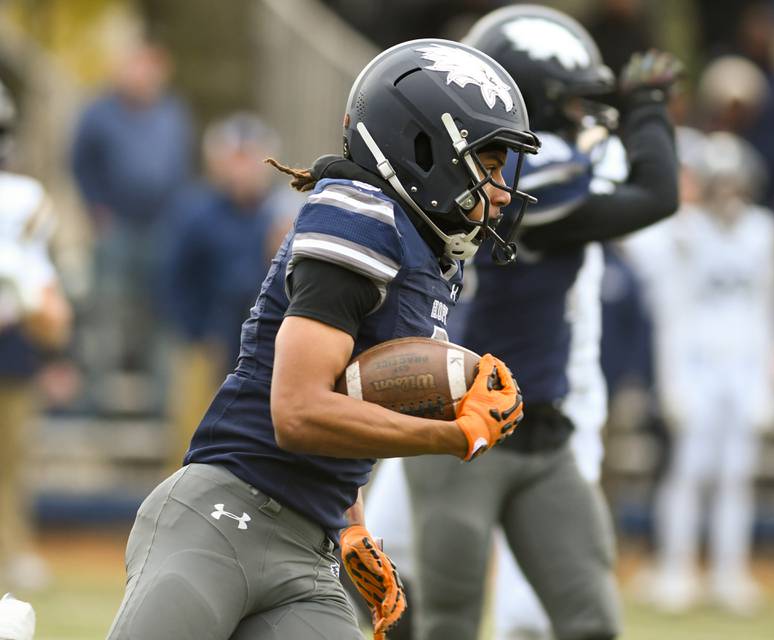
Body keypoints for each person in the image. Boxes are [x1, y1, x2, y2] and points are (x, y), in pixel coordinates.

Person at [105, 38, 535, 640]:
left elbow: (356, 390)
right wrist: (453, 436)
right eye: (487, 166)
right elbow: (299, 411)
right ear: (424, 147)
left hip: (308, 547)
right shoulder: (359, 217)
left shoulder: (430, 256)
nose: (499, 191)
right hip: (221, 515)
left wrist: (351, 523)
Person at [398, 7, 681, 639]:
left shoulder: (501, 172)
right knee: (445, 618)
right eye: (572, 102)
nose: (585, 116)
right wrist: (646, 111)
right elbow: (655, 192)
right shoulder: (521, 176)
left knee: (590, 620)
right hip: (459, 427)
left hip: (539, 424)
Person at [625, 131, 774, 615]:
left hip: (743, 367)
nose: (727, 192)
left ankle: (728, 571)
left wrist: (768, 381)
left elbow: (768, 308)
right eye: (720, 182)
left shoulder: (764, 232)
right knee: (688, 472)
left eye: (734, 182)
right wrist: (673, 382)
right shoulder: (684, 233)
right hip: (698, 366)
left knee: (736, 474)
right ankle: (678, 570)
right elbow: (673, 311)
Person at [161, 112, 302, 469]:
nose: (242, 171)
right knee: (191, 430)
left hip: (263, 341)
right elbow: (174, 279)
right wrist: (195, 332)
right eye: (235, 160)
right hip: (206, 339)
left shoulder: (280, 213)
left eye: (250, 160)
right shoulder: (195, 212)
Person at [69, 37, 193, 415]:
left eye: (150, 67)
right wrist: (96, 208)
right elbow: (79, 162)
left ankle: (160, 402)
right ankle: (94, 398)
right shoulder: (99, 113)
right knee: (106, 310)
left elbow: (181, 169)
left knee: (163, 313)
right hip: (116, 227)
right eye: (136, 66)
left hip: (162, 228)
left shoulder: (173, 114)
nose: (143, 75)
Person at [0, 77, 72, 591]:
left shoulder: (22, 200)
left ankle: (11, 548)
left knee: (10, 460)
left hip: (9, 345)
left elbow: (52, 314)